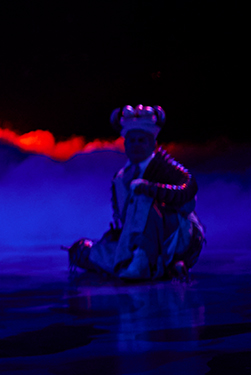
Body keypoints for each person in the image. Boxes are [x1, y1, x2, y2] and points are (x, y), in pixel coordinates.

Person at [69, 105, 204, 281]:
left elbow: (188, 198)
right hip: (136, 240)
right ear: (125, 144)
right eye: (132, 141)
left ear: (153, 143)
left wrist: (151, 190)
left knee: (142, 195)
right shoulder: (121, 178)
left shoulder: (166, 169)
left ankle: (147, 262)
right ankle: (144, 262)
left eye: (142, 140)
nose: (136, 145)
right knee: (85, 252)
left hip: (173, 237)